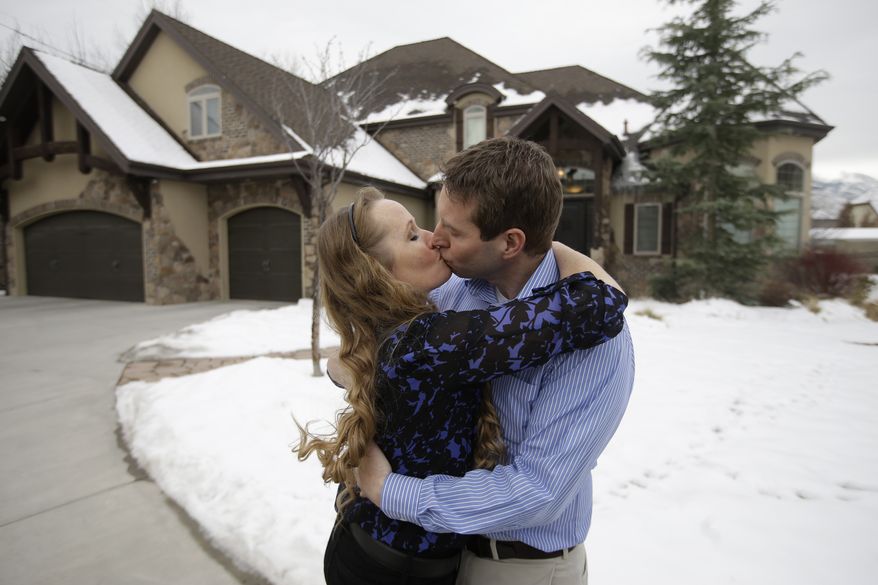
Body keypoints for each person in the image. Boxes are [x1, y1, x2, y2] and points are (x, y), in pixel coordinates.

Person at [295, 185, 628, 585]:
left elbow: (350, 364)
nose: (433, 238)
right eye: (412, 235)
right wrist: (556, 246)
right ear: (376, 275)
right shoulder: (430, 341)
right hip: (387, 568)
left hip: (386, 550)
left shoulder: (405, 326)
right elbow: (596, 304)